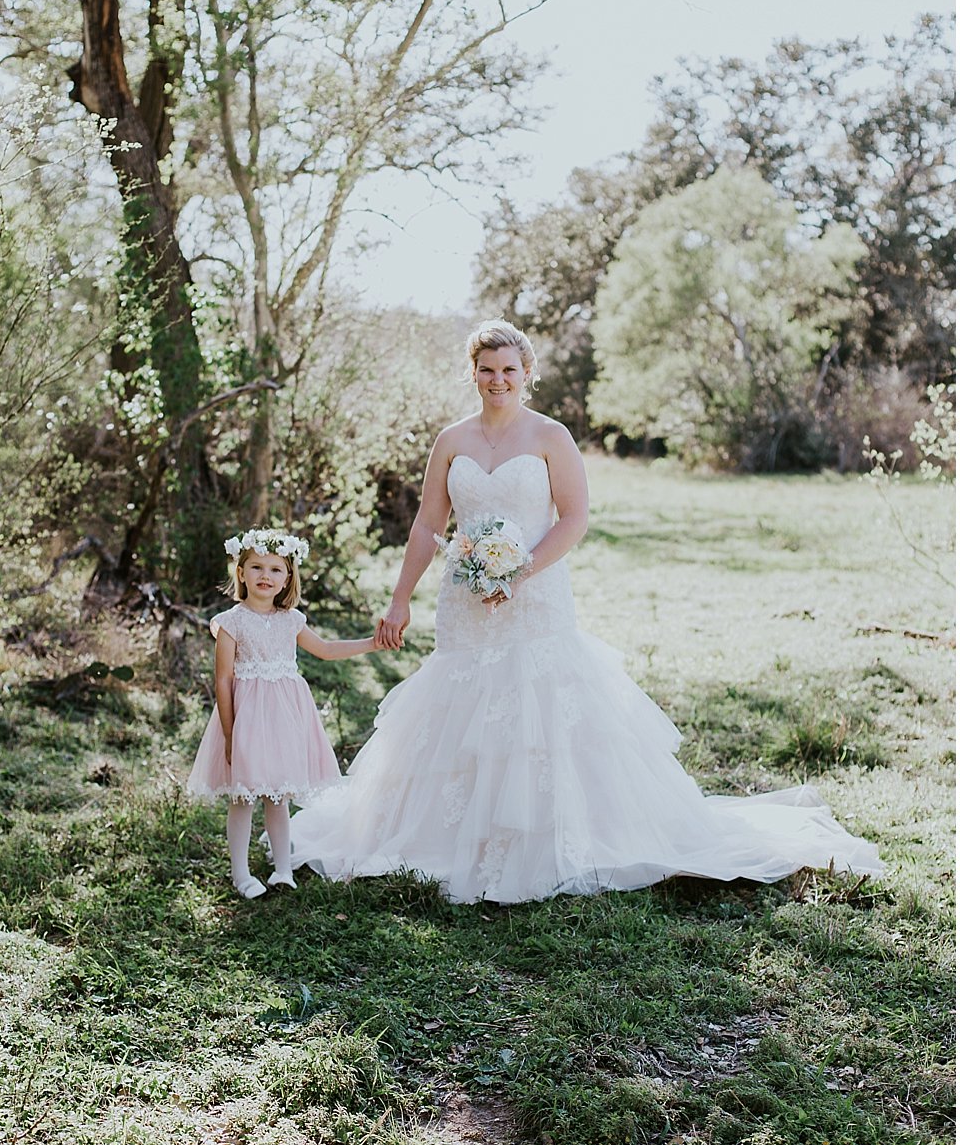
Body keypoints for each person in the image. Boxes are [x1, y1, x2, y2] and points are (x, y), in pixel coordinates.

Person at [288, 320, 883, 904]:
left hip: (535, 594)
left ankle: (540, 839)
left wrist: (518, 572)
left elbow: (574, 519)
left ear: (527, 374)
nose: (498, 380)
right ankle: (448, 835)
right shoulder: (451, 440)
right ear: (473, 373)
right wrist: (399, 600)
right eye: (487, 370)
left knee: (537, 705)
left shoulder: (550, 436)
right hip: (464, 603)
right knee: (461, 699)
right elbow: (427, 524)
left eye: (509, 371)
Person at [185, 529, 378, 898]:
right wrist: (229, 733)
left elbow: (326, 649)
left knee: (279, 793)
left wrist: (371, 643)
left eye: (276, 569)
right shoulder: (231, 622)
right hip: (246, 717)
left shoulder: (292, 619)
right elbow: (223, 680)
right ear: (240, 572)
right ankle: (240, 874)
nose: (265, 576)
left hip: (287, 717)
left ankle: (283, 870)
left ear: (288, 577)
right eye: (256, 567)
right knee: (243, 796)